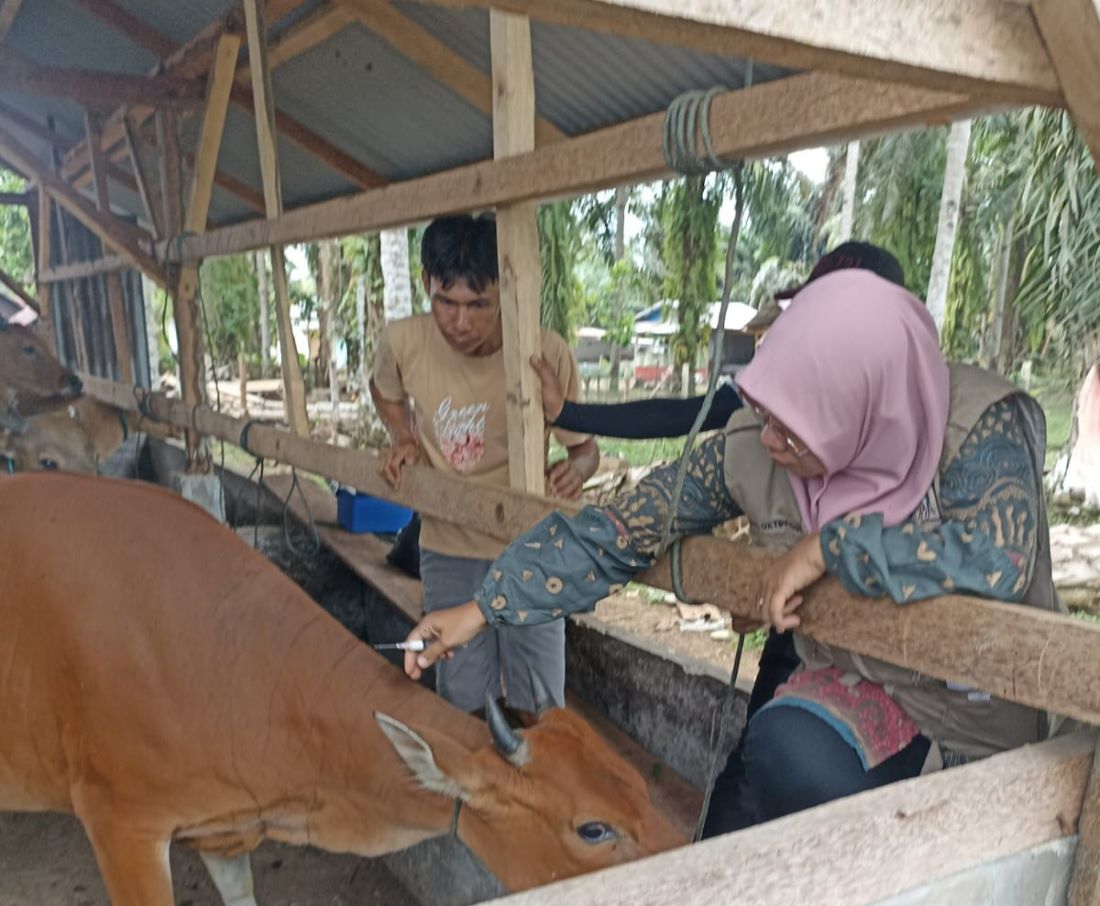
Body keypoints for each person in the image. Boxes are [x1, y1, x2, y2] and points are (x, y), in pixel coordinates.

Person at [399, 269, 1061, 835]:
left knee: (983, 844)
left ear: (862, 405)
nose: (770, 438)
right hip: (860, 683)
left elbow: (996, 560)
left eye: (794, 424)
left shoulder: (976, 422)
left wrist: (834, 546)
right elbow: (625, 527)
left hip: (979, 706)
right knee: (783, 758)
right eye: (765, 412)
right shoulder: (757, 440)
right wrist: (485, 608)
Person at [370, 213, 599, 714]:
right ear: (425, 284)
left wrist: (573, 473)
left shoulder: (543, 355)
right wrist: (404, 436)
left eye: (479, 304)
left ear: (507, 292)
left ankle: (536, 789)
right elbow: (383, 389)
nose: (460, 322)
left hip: (533, 553)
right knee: (461, 698)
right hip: (448, 550)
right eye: (445, 302)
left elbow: (585, 450)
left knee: (539, 706)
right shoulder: (403, 342)